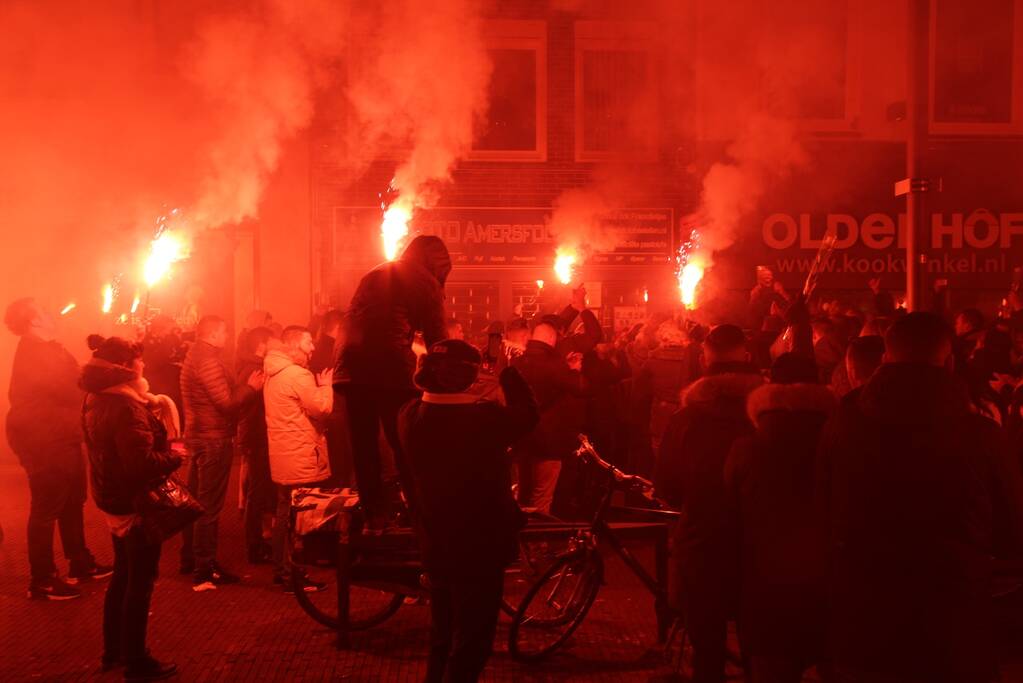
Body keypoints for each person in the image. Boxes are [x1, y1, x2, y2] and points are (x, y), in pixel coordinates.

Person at [817, 312, 1023, 683]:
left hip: (862, 619)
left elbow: (822, 507)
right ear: (948, 362)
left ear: (884, 359)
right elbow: (1011, 528)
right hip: (952, 619)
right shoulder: (979, 434)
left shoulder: (842, 425)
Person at [398, 340, 538, 682]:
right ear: (466, 378)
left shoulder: (409, 415)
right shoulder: (483, 420)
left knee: (442, 633)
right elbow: (528, 415)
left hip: (436, 541)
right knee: (472, 639)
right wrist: (507, 372)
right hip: (479, 547)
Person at [654, 323, 764, 683]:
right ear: (747, 357)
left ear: (704, 359)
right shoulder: (766, 418)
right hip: (759, 542)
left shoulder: (688, 418)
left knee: (707, 644)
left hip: (703, 538)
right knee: (758, 647)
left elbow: (668, 485)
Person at [725, 353, 836, 683]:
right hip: (828, 582)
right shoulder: (839, 442)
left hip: (765, 587)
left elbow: (729, 518)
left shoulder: (747, 449)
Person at [80, 335, 180, 681]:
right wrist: (174, 456)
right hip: (134, 503)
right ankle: (137, 661)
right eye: (138, 360)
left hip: (113, 498)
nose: (144, 365)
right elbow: (141, 463)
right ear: (125, 369)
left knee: (123, 575)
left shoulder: (97, 398)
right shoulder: (125, 406)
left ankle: (114, 651)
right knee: (139, 581)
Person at [336, 235, 451, 531]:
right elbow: (439, 340)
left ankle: (375, 516)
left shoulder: (374, 273)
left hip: (349, 370)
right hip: (390, 371)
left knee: (364, 448)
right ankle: (420, 516)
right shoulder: (425, 281)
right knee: (405, 443)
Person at [4, 298, 109, 600]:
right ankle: (43, 578)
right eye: (45, 310)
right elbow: (71, 386)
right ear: (34, 321)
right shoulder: (36, 352)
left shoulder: (48, 347)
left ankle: (79, 561)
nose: (52, 313)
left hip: (62, 434)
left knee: (72, 500)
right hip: (44, 440)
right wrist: (100, 369)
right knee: (46, 507)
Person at [179, 315, 263, 588]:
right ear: (213, 334)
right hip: (212, 439)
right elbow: (226, 403)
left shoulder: (195, 357)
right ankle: (205, 567)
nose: (227, 338)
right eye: (225, 332)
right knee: (209, 506)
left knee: (194, 502)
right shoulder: (208, 361)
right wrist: (250, 388)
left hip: (198, 435)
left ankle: (190, 557)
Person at [263, 326, 333, 591]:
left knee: (284, 511)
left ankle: (282, 570)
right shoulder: (298, 375)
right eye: (308, 342)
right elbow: (321, 408)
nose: (313, 348)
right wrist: (326, 387)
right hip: (300, 452)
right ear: (293, 345)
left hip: (283, 453)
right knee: (298, 515)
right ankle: (292, 573)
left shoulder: (274, 373)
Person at [511, 319, 586, 515]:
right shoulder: (555, 365)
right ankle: (539, 541)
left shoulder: (517, 363)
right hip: (549, 441)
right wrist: (574, 370)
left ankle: (521, 540)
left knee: (521, 494)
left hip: (522, 439)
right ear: (551, 339)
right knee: (543, 495)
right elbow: (578, 388)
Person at [235, 326, 275, 564]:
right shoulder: (255, 370)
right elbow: (251, 404)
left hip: (253, 434)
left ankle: (257, 542)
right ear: (262, 344)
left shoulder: (248, 365)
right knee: (256, 492)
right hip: (257, 435)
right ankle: (255, 546)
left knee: (257, 490)